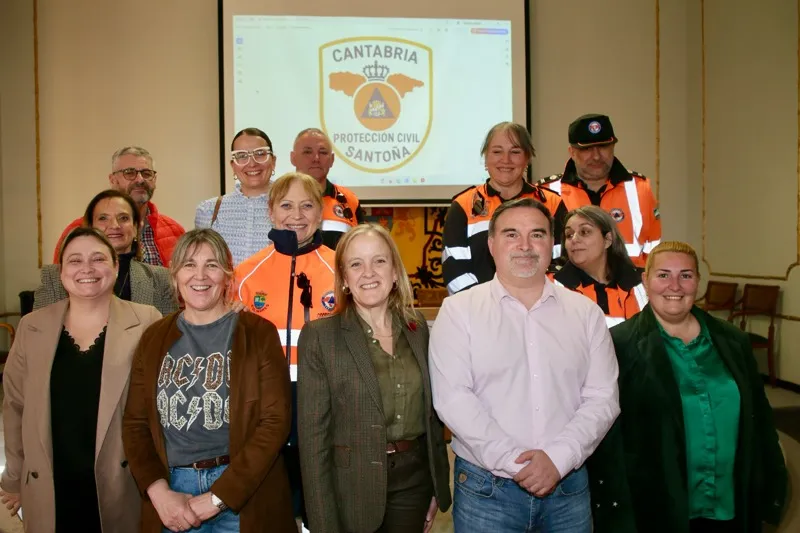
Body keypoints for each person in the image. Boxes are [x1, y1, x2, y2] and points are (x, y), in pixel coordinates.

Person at [429, 198, 619, 533]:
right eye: (512, 234)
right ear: (492, 245)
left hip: (568, 486)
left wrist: (557, 460)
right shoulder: (458, 311)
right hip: (486, 491)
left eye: (537, 234)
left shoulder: (586, 313)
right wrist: (516, 463)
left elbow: (603, 399)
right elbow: (453, 399)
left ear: (552, 244)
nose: (525, 246)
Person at [588, 241, 787, 533]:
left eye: (686, 275)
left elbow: (761, 420)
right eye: (663, 275)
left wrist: (773, 488)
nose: (675, 286)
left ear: (697, 281)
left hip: (731, 502)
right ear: (646, 280)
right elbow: (608, 440)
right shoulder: (619, 345)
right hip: (658, 508)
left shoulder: (733, 341)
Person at [122, 229, 296, 533]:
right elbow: (135, 424)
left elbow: (275, 423)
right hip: (172, 491)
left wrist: (219, 497)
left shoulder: (257, 333)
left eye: (211, 265)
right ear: (175, 275)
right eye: (189, 265)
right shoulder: (153, 338)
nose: (200, 276)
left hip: (244, 490)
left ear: (227, 276)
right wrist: (158, 492)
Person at [0, 227, 162, 532]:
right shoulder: (32, 326)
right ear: (61, 272)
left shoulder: (147, 321)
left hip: (121, 483)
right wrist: (14, 476)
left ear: (116, 266)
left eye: (98, 259)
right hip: (51, 483)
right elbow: (15, 407)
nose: (86, 268)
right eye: (75, 260)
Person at [298, 224, 452, 533]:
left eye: (379, 261)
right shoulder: (320, 337)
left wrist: (437, 485)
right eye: (356, 264)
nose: (368, 272)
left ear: (395, 272)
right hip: (350, 487)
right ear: (344, 279)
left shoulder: (417, 327)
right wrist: (322, 522)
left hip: (413, 483)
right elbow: (313, 441)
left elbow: (432, 415)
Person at [235, 172, 336, 530]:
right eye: (287, 205)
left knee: (319, 502)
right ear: (271, 211)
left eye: (307, 205)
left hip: (324, 402)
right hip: (265, 404)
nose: (296, 215)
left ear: (320, 212)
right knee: (271, 502)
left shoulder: (340, 268)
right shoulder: (245, 274)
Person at [442, 121, 568, 295]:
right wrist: (484, 303)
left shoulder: (552, 203)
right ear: (485, 158)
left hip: (540, 305)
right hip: (480, 307)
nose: (506, 160)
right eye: (497, 152)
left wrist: (532, 300)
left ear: (527, 158)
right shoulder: (463, 205)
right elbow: (455, 268)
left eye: (515, 152)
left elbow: (563, 263)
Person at [539, 114, 660, 268]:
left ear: (613, 147)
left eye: (603, 147)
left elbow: (655, 253)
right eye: (587, 149)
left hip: (629, 282)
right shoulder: (546, 192)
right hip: (566, 282)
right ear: (572, 152)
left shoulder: (640, 188)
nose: (596, 156)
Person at [35, 189, 178, 315]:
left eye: (123, 218)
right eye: (103, 218)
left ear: (136, 228)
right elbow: (39, 331)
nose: (114, 225)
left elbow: (168, 334)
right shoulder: (53, 277)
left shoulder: (161, 279)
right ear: (90, 227)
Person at [53, 146, 185, 266]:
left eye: (146, 173)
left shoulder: (175, 231)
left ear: (154, 180)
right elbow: (60, 280)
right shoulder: (77, 230)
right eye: (129, 173)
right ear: (113, 180)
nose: (140, 180)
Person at [553, 205, 647, 327]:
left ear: (607, 240)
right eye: (569, 235)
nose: (574, 239)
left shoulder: (643, 284)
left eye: (584, 232)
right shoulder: (551, 285)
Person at [195, 127, 275, 266]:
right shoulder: (208, 210)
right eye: (242, 156)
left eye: (260, 154)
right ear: (233, 166)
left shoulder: (291, 208)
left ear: (273, 161)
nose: (252, 163)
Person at [290, 128, 365, 250]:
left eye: (323, 152)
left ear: (332, 159)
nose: (316, 158)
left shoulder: (349, 200)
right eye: (307, 152)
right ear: (293, 158)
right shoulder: (279, 198)